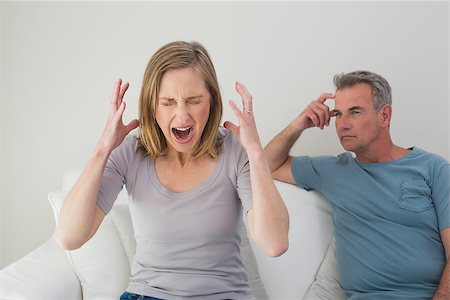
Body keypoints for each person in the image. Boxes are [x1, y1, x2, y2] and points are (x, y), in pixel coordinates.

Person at [56, 41, 289, 300]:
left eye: (193, 101)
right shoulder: (130, 150)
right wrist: (102, 149)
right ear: (151, 105)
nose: (181, 116)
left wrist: (256, 152)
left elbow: (275, 243)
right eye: (167, 102)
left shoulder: (235, 150)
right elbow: (69, 237)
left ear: (211, 100)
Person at [264, 70, 450, 299]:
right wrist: (298, 124)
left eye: (355, 112)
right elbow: (265, 165)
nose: (342, 125)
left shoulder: (434, 169)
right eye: (338, 114)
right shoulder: (331, 171)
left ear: (384, 115)